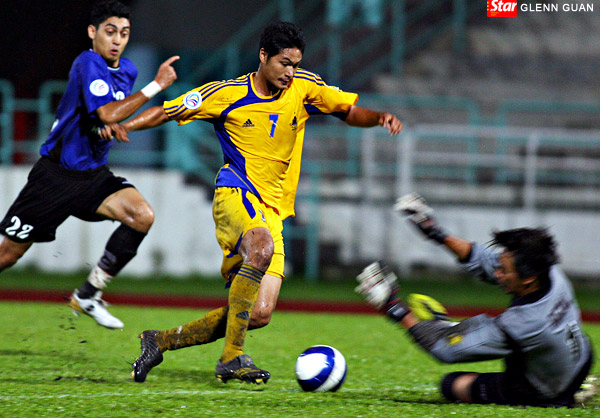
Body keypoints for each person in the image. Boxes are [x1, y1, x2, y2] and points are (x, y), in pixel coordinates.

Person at [101, 21, 402, 384]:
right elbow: (168, 111)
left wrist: (377, 118)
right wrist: (126, 127)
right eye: (284, 63)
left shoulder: (306, 88)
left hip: (274, 210)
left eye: (295, 64)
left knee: (258, 313)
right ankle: (232, 358)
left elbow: (348, 111)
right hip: (236, 194)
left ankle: (159, 341)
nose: (290, 72)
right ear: (263, 56)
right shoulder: (226, 93)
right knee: (259, 248)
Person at [0, 0, 179, 329]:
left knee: (142, 216)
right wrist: (157, 86)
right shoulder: (87, 62)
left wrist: (106, 126)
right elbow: (109, 113)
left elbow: (108, 115)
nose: (117, 40)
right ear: (92, 32)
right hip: (55, 177)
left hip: (92, 178)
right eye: (110, 32)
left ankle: (88, 293)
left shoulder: (126, 71)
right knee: (8, 256)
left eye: (124, 33)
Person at [355, 192, 596, 407]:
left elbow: (445, 350)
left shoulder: (525, 323)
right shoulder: (551, 272)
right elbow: (484, 261)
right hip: (581, 358)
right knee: (508, 345)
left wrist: (393, 307)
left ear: (528, 280)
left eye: (504, 270)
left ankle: (566, 396)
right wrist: (435, 232)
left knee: (452, 385)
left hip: (542, 388)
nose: (497, 272)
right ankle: (577, 384)